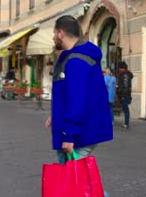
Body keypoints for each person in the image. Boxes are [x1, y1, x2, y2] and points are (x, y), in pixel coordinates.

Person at [44, 15, 113, 165]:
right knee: (73, 182)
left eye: (54, 33)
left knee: (72, 182)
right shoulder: (73, 57)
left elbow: (77, 100)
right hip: (77, 130)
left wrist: (69, 136)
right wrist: (56, 115)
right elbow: (69, 95)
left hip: (79, 134)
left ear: (61, 33)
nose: (53, 37)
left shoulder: (76, 60)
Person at [117, 61, 133, 129]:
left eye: (120, 68)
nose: (119, 69)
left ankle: (126, 124)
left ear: (123, 68)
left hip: (124, 95)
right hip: (123, 95)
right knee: (125, 109)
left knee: (126, 110)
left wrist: (122, 95)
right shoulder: (124, 75)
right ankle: (126, 123)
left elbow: (125, 86)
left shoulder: (125, 75)